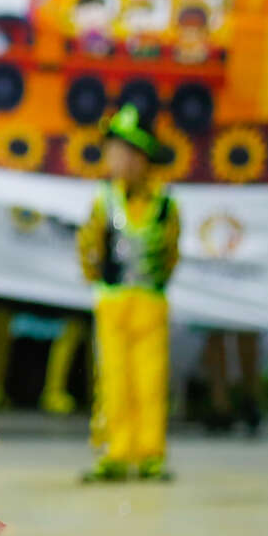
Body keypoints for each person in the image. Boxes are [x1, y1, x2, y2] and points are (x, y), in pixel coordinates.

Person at [77, 104, 179, 482]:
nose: (116, 160)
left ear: (143, 158)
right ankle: (115, 452)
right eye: (113, 152)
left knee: (151, 381)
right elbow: (88, 246)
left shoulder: (166, 203)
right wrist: (100, 282)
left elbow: (171, 252)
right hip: (114, 302)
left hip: (150, 302)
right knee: (113, 379)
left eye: (123, 153)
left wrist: (155, 284)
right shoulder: (104, 201)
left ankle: (151, 452)